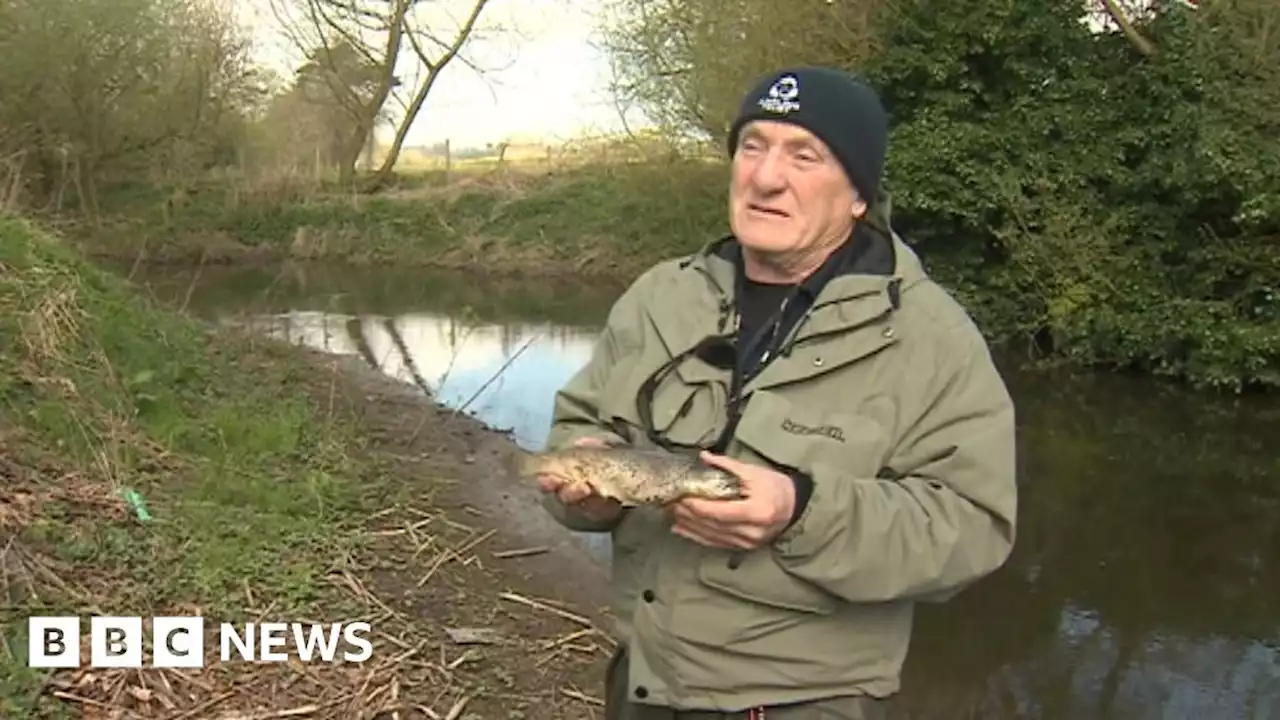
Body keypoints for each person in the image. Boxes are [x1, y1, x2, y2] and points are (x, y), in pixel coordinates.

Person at [536, 65, 1018, 720]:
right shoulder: (660, 297)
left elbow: (972, 530)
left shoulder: (932, 339)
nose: (765, 177)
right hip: (641, 686)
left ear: (857, 194)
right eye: (752, 146)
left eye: (804, 155)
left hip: (802, 704)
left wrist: (801, 510)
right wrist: (587, 491)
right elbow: (578, 430)